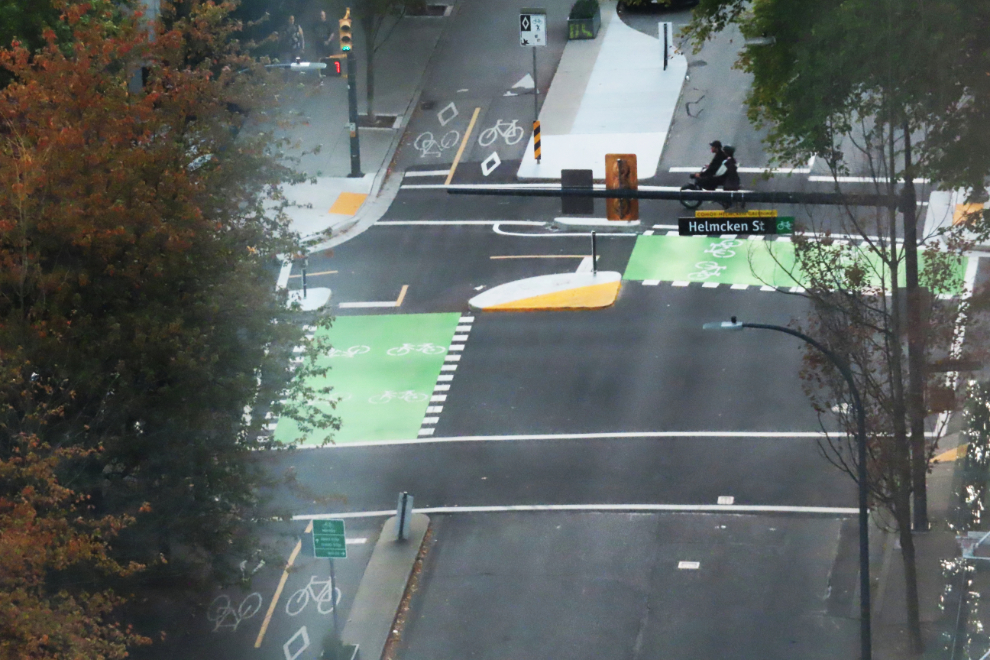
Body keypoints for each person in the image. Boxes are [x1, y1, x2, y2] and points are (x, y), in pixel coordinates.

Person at [313, 11, 336, 81]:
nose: (321, 16)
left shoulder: (328, 24)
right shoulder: (316, 24)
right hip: (319, 44)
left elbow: (332, 34)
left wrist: (328, 41)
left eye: (322, 15)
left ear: (325, 16)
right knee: (319, 58)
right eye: (320, 15)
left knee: (327, 58)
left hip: (326, 44)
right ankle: (319, 74)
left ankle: (327, 72)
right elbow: (313, 33)